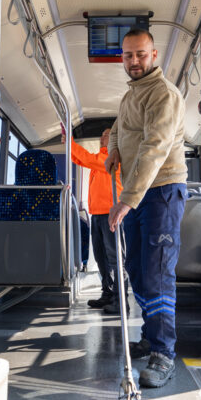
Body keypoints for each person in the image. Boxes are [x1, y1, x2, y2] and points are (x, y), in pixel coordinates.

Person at [105, 28, 187, 388]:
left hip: (162, 190)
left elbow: (155, 146)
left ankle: (164, 354)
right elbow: (120, 128)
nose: (133, 61)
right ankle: (150, 335)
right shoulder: (131, 95)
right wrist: (113, 152)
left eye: (140, 54)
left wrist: (126, 198)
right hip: (139, 193)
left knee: (156, 271)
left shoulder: (163, 95)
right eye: (127, 56)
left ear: (154, 55)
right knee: (135, 267)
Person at [70, 129, 128, 311]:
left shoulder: (115, 158)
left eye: (108, 134)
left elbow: (85, 158)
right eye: (101, 134)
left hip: (112, 213)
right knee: (101, 257)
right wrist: (69, 145)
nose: (103, 137)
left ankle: (121, 300)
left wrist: (70, 143)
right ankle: (108, 293)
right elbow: (80, 159)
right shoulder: (99, 158)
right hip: (96, 214)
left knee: (116, 257)